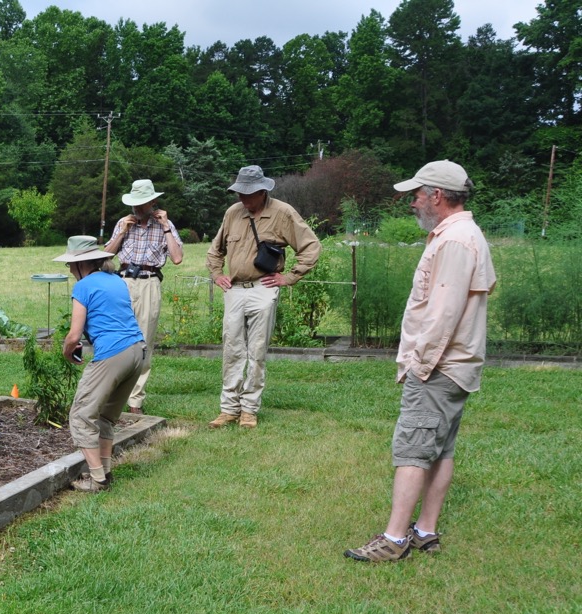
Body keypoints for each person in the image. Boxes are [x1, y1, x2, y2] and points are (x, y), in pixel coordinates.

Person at [346, 161, 496, 562]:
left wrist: (420, 365)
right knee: (440, 449)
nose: (412, 202)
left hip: (439, 366)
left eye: (416, 195)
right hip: (455, 365)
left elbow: (443, 313)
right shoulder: (464, 234)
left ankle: (394, 540)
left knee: (413, 449)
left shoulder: (454, 240)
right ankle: (425, 532)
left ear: (437, 196)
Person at [205, 165, 321, 429]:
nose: (242, 198)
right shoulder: (232, 213)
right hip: (234, 289)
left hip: (263, 288)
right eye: (239, 193)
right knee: (231, 349)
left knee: (256, 351)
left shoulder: (283, 212)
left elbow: (311, 246)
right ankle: (228, 409)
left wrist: (289, 277)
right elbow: (215, 250)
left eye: (248, 194)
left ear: (262, 191)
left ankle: (249, 409)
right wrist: (217, 274)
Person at [56, 235, 150, 493]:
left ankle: (97, 480)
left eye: (70, 265)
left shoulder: (83, 286)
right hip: (137, 351)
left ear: (80, 264)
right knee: (105, 417)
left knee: (81, 416)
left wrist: (67, 352)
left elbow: (74, 335)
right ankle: (105, 472)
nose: (70, 270)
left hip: (113, 354)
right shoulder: (116, 280)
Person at [104, 179, 183, 414]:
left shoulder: (164, 225)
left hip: (149, 282)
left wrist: (166, 226)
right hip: (123, 282)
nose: (136, 208)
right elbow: (104, 256)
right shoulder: (123, 223)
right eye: (134, 204)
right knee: (118, 337)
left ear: (152, 202)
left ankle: (135, 401)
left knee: (144, 341)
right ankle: (112, 393)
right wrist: (122, 232)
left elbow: (177, 258)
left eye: (141, 204)